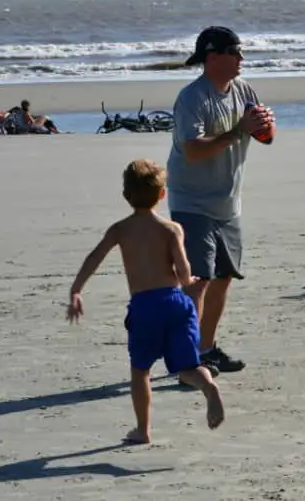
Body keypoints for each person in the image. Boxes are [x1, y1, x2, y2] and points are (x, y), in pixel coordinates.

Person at [66, 159, 225, 444]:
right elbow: (184, 270)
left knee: (141, 370)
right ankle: (209, 388)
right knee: (188, 367)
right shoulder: (172, 229)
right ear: (162, 194)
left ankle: (143, 430)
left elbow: (95, 257)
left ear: (126, 195)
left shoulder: (120, 229)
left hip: (145, 306)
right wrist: (187, 280)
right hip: (177, 303)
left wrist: (77, 289)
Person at [166, 26, 275, 379]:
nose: (242, 58)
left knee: (224, 277)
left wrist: (265, 126)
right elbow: (193, 150)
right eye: (235, 52)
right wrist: (239, 130)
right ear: (213, 57)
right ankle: (188, 361)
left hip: (228, 203)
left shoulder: (243, 90)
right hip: (191, 200)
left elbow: (264, 137)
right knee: (197, 281)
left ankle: (206, 348)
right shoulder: (192, 97)